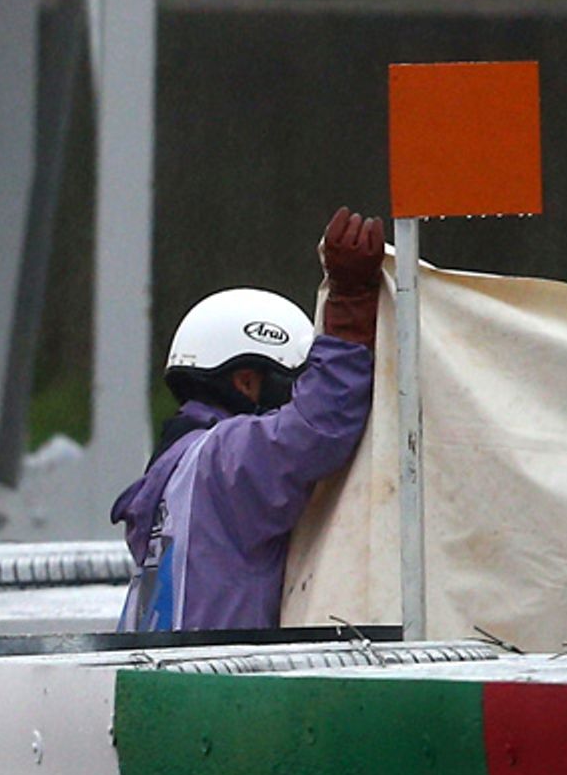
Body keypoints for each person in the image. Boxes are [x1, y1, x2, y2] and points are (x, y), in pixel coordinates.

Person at [111, 207, 384, 631]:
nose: (290, 397)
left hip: (170, 682)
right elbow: (316, 427)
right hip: (223, 686)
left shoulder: (171, 476)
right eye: (289, 382)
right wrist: (350, 309)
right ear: (245, 381)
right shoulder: (221, 460)